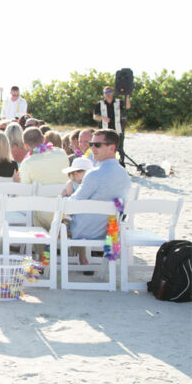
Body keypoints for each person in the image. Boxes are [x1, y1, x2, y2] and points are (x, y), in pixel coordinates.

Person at [69, 129, 131, 269]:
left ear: (112, 148)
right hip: (111, 232)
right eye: (91, 144)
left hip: (84, 231)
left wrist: (62, 200)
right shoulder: (124, 175)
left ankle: (42, 268)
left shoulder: (94, 174)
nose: (92, 148)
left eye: (97, 145)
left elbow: (72, 204)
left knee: (45, 218)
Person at [94, 85, 131, 166]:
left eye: (109, 92)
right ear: (103, 94)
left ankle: (121, 165)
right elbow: (95, 116)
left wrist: (127, 97)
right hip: (104, 130)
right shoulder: (99, 104)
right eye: (106, 92)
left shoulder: (118, 102)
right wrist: (103, 118)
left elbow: (127, 106)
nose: (107, 94)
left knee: (119, 148)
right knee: (103, 147)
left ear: (113, 93)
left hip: (117, 129)